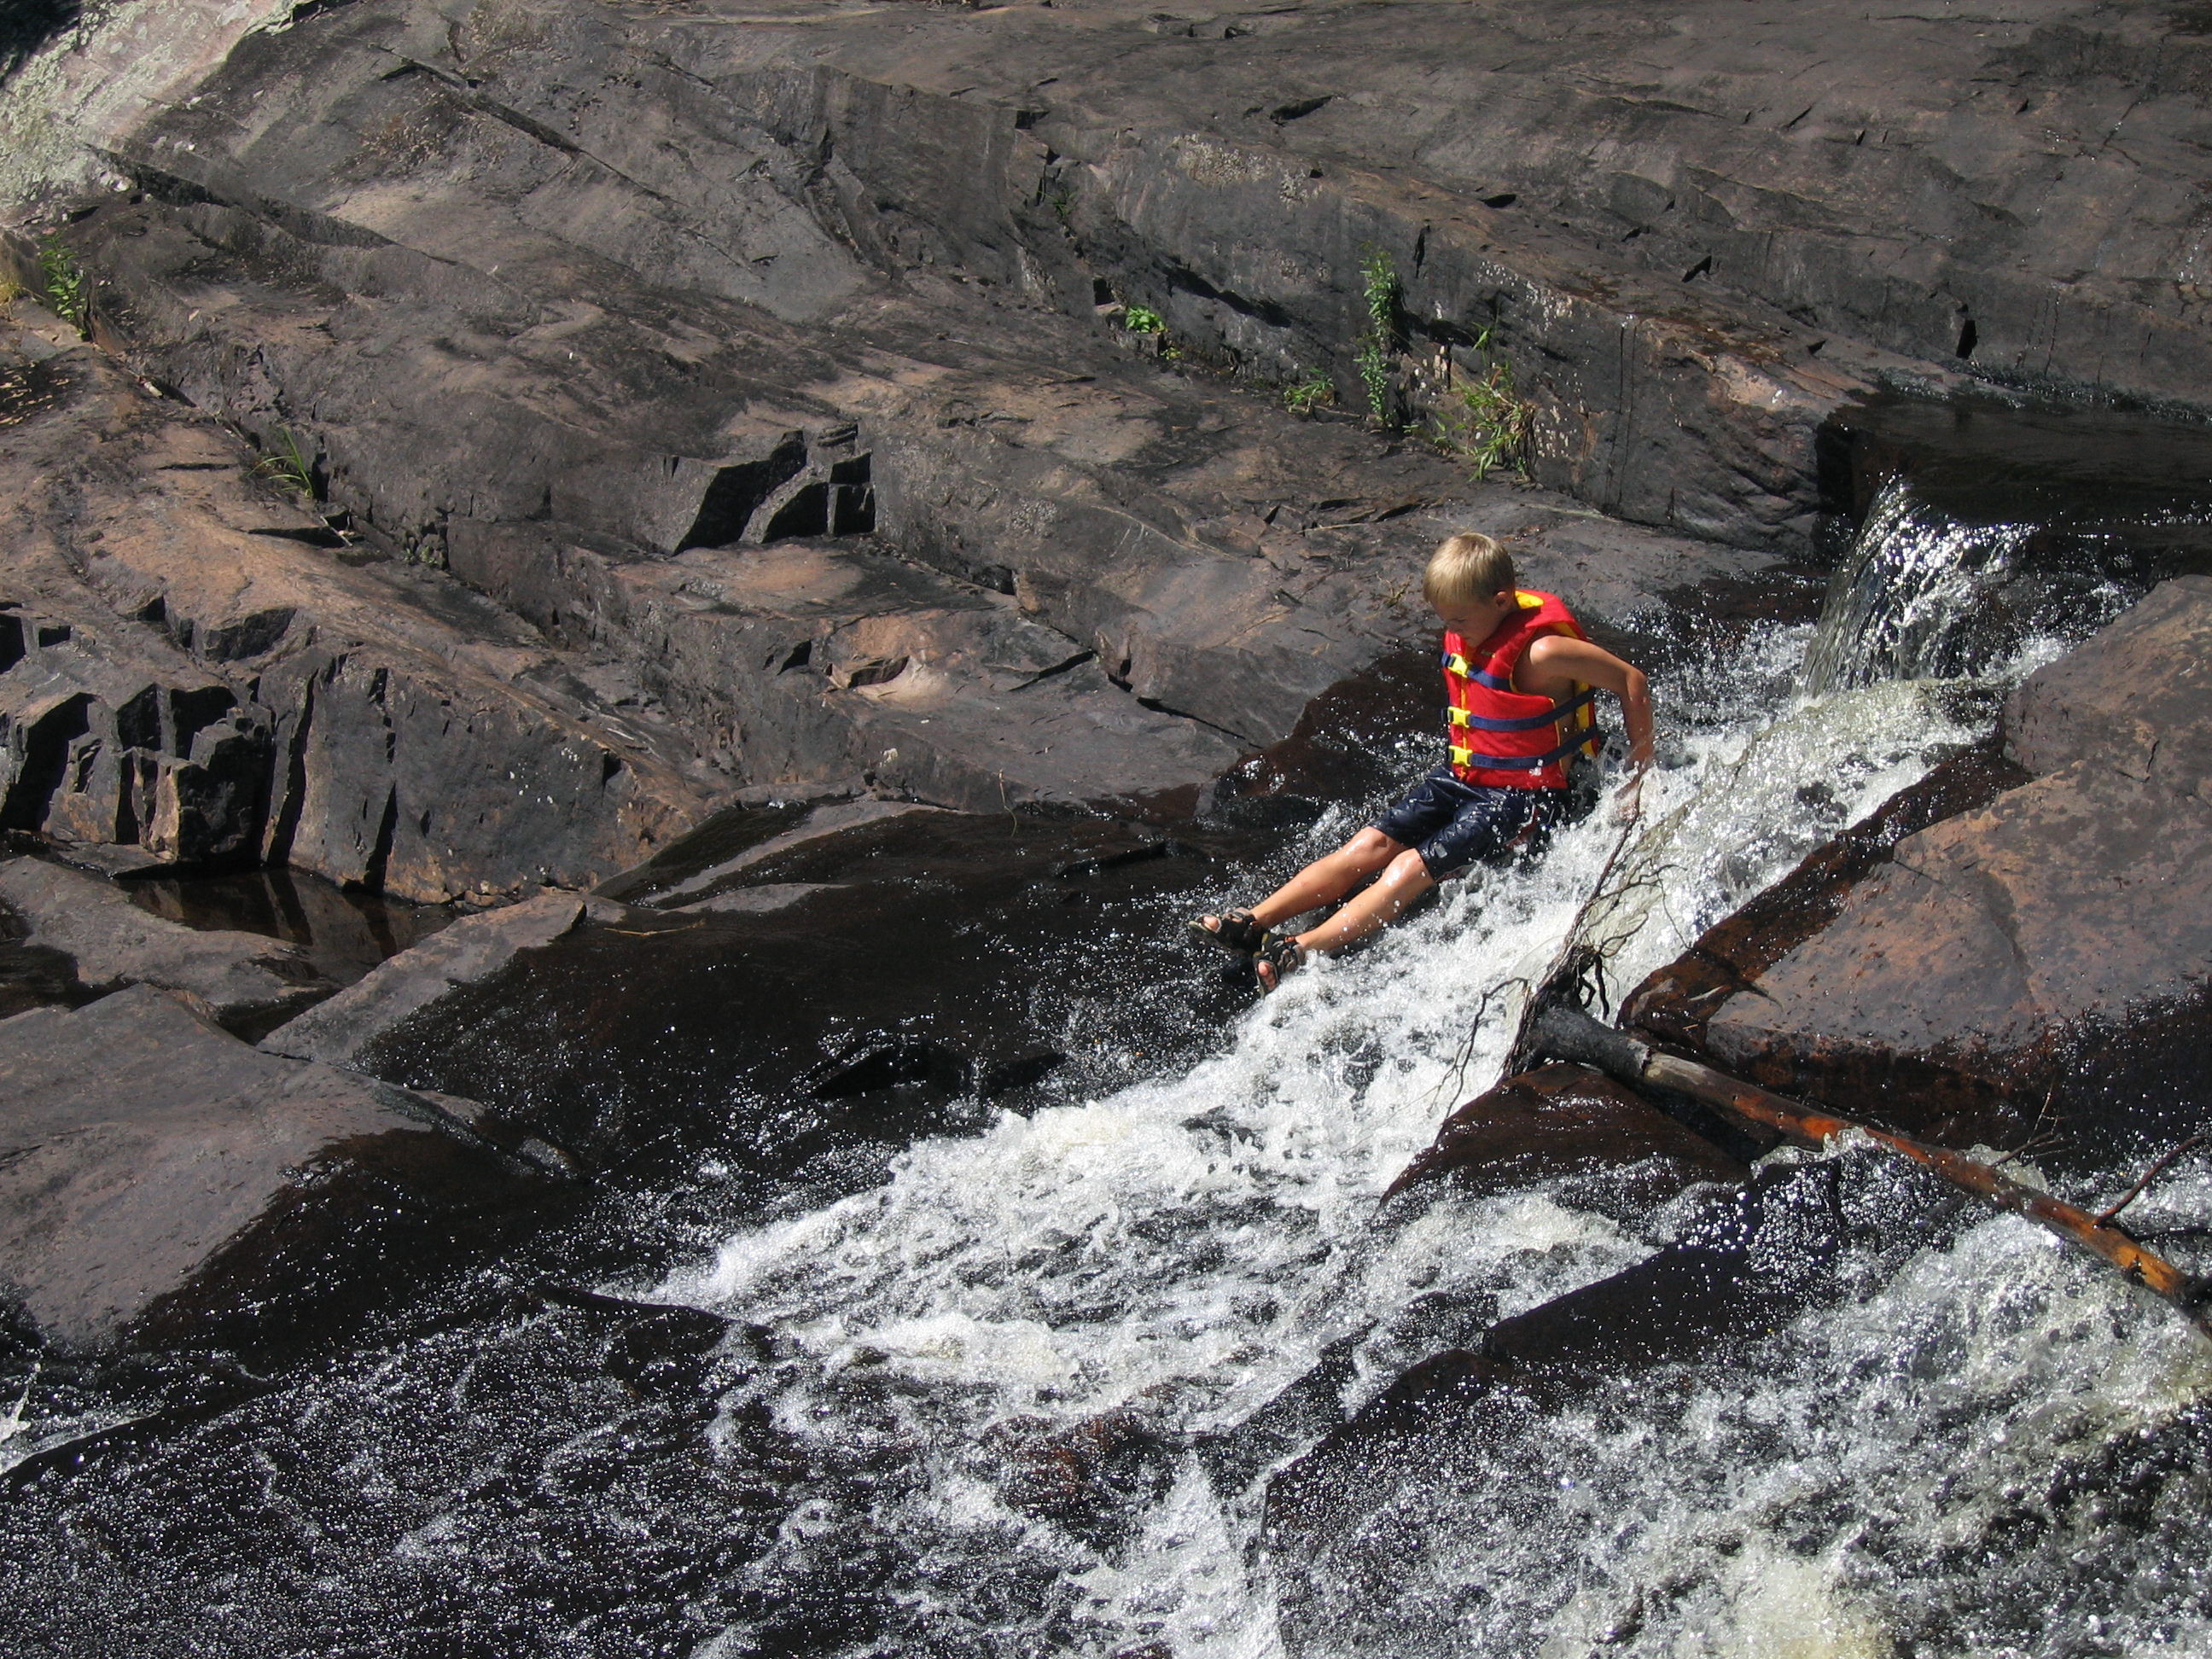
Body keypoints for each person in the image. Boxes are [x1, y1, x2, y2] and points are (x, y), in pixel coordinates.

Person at [1193, 532, 1652, 991]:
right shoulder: (1472, 625)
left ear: (1500, 601)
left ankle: (1299, 948)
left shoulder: (1544, 652)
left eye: (1459, 619)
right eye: (1444, 618)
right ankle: (1254, 921)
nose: (1452, 629)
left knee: (1408, 868)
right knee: (1367, 845)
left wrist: (1638, 777)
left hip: (1521, 794)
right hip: (1465, 774)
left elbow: (1632, 681)